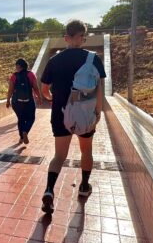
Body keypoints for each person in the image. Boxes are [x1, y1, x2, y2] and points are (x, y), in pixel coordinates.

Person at [40, 19, 106, 211]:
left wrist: (52, 98)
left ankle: (49, 191)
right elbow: (99, 89)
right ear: (82, 37)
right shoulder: (93, 59)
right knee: (86, 151)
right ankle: (84, 186)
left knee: (59, 156)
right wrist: (97, 113)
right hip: (85, 114)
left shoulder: (54, 61)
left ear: (66, 38)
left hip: (61, 114)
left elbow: (44, 90)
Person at [6, 58, 41, 144]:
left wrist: (8, 101)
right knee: (31, 118)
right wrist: (39, 98)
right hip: (29, 101)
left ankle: (21, 138)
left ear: (18, 66)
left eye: (16, 66)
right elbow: (36, 88)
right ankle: (25, 131)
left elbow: (10, 90)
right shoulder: (31, 74)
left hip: (16, 102)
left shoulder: (14, 76)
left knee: (20, 119)